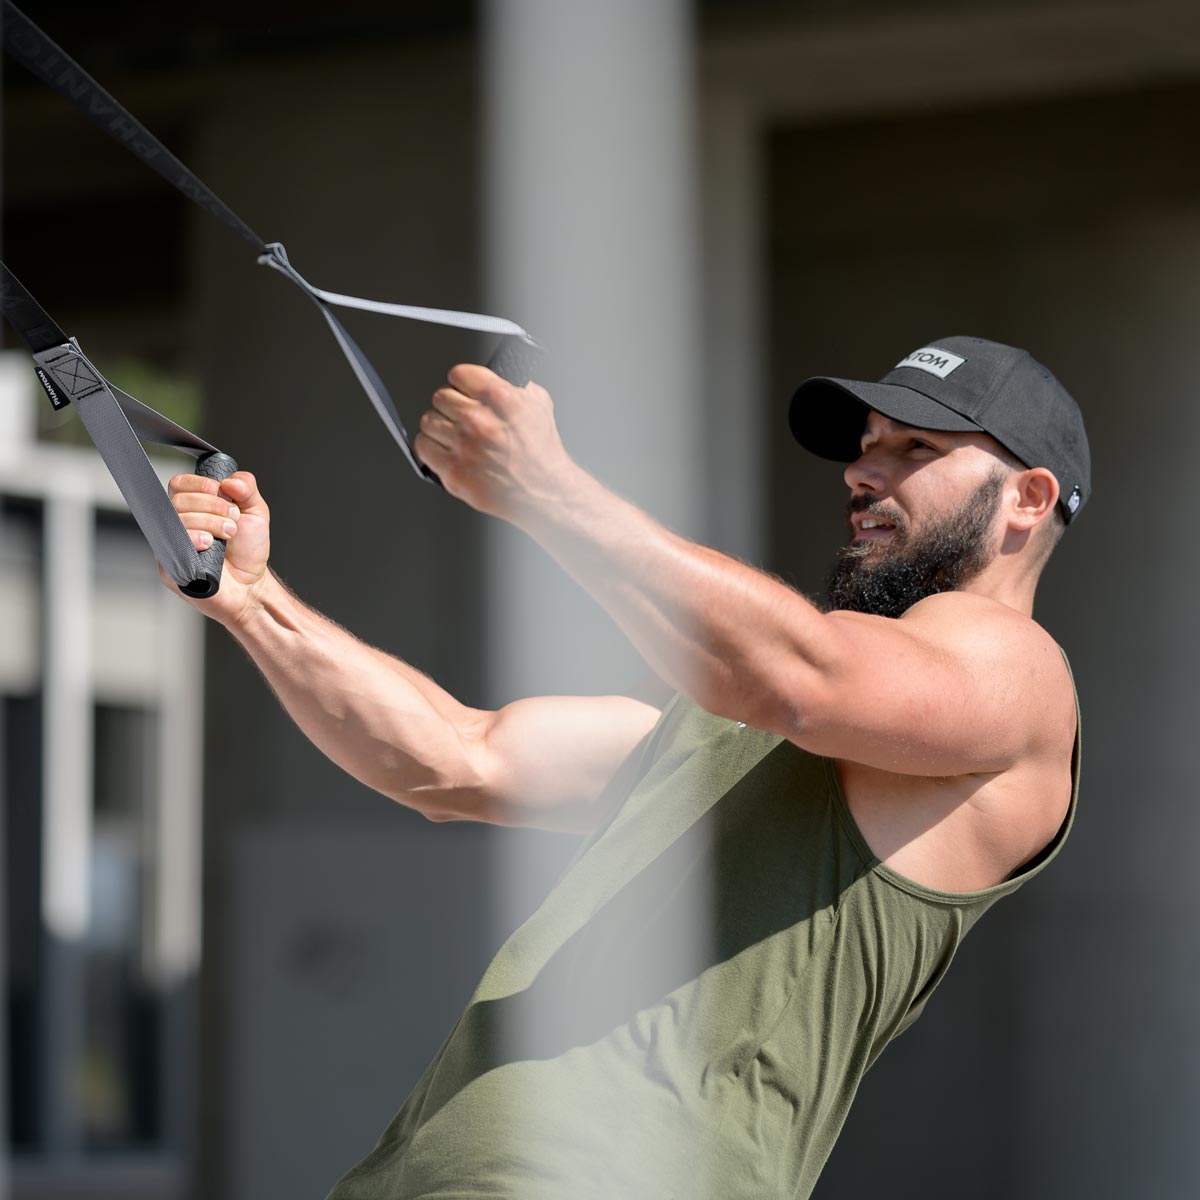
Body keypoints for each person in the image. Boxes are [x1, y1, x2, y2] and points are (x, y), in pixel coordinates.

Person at [161, 334, 1087, 1199]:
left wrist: (548, 489)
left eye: (915, 449)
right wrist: (251, 603)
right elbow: (450, 760)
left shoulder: (1015, 668)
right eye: (867, 444)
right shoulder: (742, 710)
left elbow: (801, 676)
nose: (861, 471)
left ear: (1028, 499)